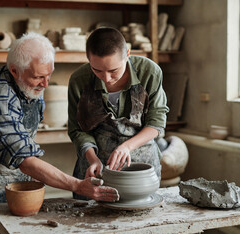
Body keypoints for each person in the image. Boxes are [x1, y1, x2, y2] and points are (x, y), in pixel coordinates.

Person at [0, 32, 119, 234]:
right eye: (38, 77)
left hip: (16, 179)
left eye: (49, 75)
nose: (45, 84)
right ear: (14, 71)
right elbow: (25, 160)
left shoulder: (30, 82)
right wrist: (77, 185)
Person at [68, 27, 169, 199]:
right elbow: (78, 130)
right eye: (97, 70)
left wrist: (127, 147)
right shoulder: (79, 80)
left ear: (127, 54)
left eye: (113, 70)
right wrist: (93, 159)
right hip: (97, 163)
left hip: (140, 162)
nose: (106, 79)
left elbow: (156, 123)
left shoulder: (149, 72)